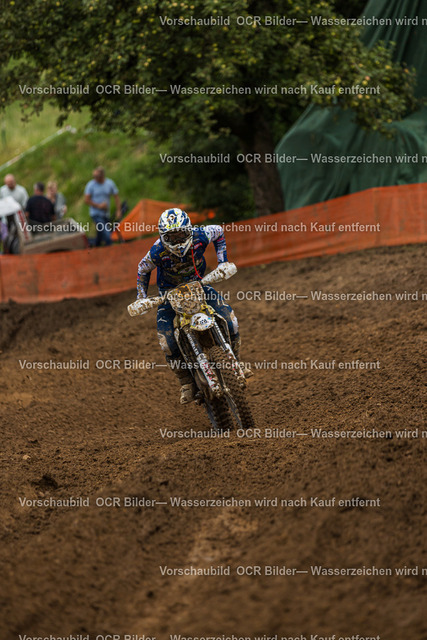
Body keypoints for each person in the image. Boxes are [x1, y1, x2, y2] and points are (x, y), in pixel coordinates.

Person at [137, 208, 240, 404]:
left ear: (189, 230)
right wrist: (141, 297)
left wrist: (223, 261)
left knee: (231, 321)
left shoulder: (201, 235)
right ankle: (186, 382)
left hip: (199, 285)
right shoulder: (157, 251)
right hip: (169, 295)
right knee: (167, 342)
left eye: (181, 235)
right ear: (163, 236)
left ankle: (236, 360)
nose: (177, 241)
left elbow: (219, 231)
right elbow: (142, 269)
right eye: (171, 237)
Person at [84, 166, 120, 246]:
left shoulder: (109, 183)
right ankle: (111, 249)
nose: (95, 178)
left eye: (96, 176)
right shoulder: (91, 185)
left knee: (100, 235)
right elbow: (86, 200)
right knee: (107, 235)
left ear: (102, 175)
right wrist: (99, 206)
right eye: (94, 176)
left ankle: (96, 247)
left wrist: (118, 210)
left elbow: (116, 196)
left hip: (105, 214)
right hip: (95, 214)